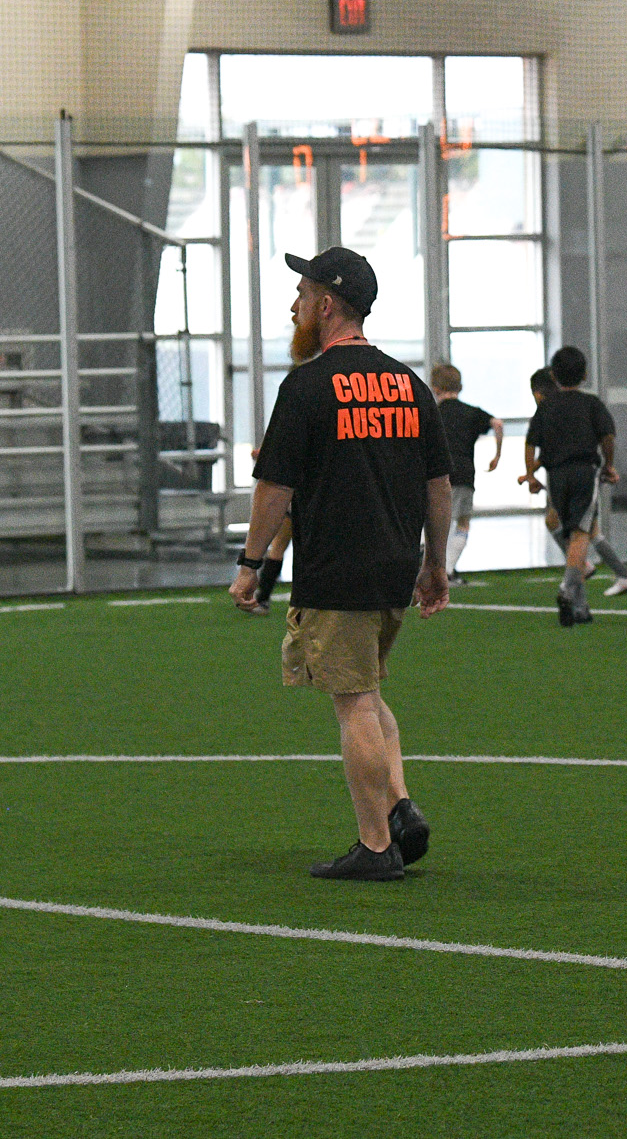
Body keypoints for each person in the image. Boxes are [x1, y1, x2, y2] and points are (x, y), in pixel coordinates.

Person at [229, 246, 452, 881]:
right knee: (368, 689)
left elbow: (274, 488)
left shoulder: (306, 386)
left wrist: (251, 563)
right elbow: (438, 485)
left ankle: (376, 847)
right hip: (394, 565)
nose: (294, 306)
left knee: (352, 702)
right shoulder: (408, 384)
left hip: (336, 567)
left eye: (302, 295)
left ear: (327, 305)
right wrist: (435, 564)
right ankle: (400, 806)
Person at [521, 345, 619, 626]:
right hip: (583, 473)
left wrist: (530, 475)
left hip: (556, 477)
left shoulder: (546, 407)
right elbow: (608, 436)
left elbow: (530, 443)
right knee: (580, 535)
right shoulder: (591, 404)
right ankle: (567, 589)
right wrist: (609, 464)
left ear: (553, 375)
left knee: (568, 534)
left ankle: (581, 607)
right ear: (585, 374)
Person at [528, 367, 627, 596]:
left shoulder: (552, 410)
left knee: (580, 529)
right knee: (581, 527)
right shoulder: (571, 407)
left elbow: (554, 448)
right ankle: (621, 574)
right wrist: (531, 471)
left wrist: (531, 472)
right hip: (575, 475)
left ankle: (578, 580)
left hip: (575, 476)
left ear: (538, 394)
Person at [429, 363, 505, 586]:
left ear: (435, 388)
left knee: (433, 521)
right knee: (462, 522)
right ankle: (448, 570)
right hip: (463, 473)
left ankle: (431, 564)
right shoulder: (471, 412)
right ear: (460, 386)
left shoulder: (433, 414)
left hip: (436, 474)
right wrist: (497, 455)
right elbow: (498, 424)